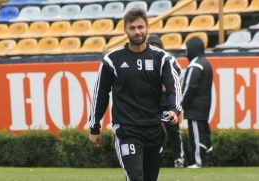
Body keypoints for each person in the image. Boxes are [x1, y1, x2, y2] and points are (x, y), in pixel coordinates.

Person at [88, 8, 182, 181]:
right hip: (126, 130)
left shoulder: (161, 58)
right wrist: (95, 127)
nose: (137, 32)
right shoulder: (112, 60)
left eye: (140, 27)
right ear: (125, 30)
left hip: (154, 129)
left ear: (147, 27)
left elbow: (173, 85)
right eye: (132, 28)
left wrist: (174, 109)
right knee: (136, 177)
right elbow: (100, 94)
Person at [147, 34, 185, 168]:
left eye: (157, 47)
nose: (155, 49)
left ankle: (179, 159)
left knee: (174, 132)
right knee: (153, 133)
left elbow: (180, 76)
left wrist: (169, 86)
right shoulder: (144, 59)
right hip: (152, 105)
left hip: (168, 104)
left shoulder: (170, 59)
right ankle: (154, 159)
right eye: (152, 46)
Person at [181, 36, 213, 168]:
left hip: (195, 107)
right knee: (204, 133)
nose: (186, 52)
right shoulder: (205, 62)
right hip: (204, 105)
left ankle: (199, 161)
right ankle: (208, 160)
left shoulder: (195, 65)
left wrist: (182, 103)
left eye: (188, 49)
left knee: (197, 135)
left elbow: (189, 87)